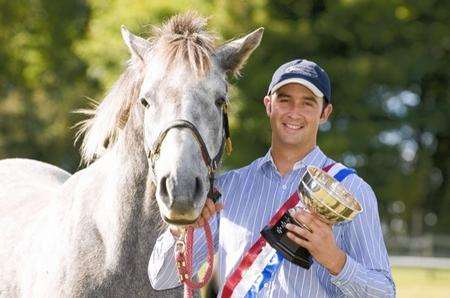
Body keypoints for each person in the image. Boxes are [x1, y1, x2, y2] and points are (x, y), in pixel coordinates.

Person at [148, 59, 396, 297]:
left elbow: (384, 293)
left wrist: (335, 260)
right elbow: (162, 277)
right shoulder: (228, 188)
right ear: (268, 105)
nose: (294, 112)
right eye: (284, 100)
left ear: (325, 113)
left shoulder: (352, 191)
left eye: (308, 103)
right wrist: (182, 231)